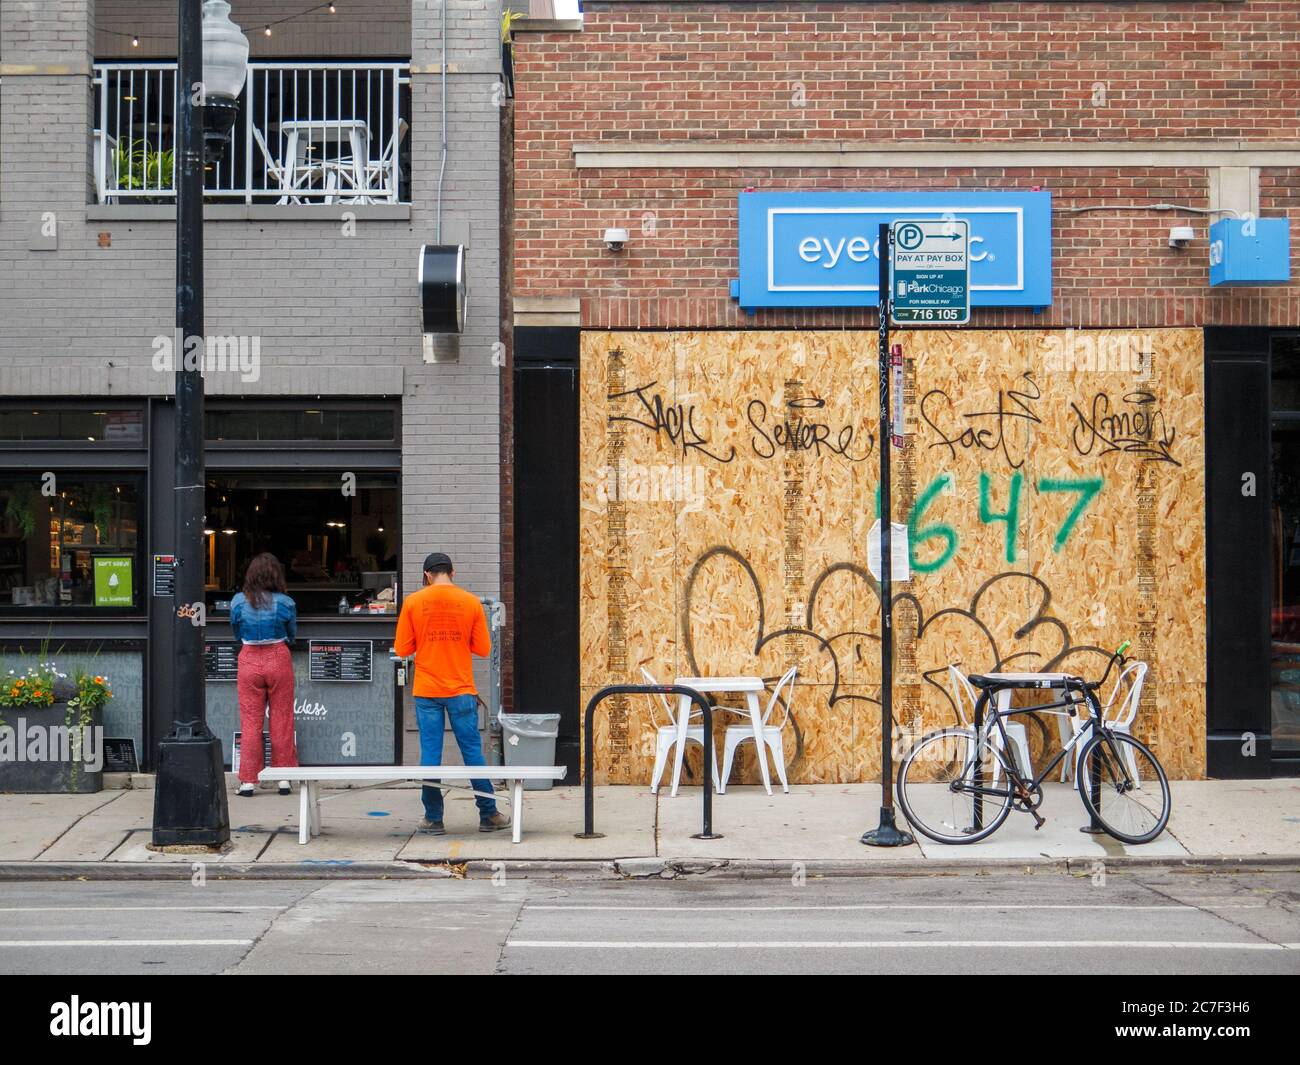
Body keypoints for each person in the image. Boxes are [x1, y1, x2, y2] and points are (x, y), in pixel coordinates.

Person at [394, 552, 508, 833]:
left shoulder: (413, 602)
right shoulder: (470, 602)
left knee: (430, 754)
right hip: (460, 688)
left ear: (426, 576)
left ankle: (433, 818)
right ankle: (488, 814)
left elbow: (402, 649)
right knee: (472, 752)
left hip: (427, 689)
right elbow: (482, 649)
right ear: (452, 573)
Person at [229, 552, 299, 798]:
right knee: (282, 719)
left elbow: (236, 632)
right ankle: (283, 778)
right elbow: (292, 634)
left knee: (250, 722)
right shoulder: (286, 602)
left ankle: (248, 781)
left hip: (249, 656)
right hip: (278, 655)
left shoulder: (238, 601)